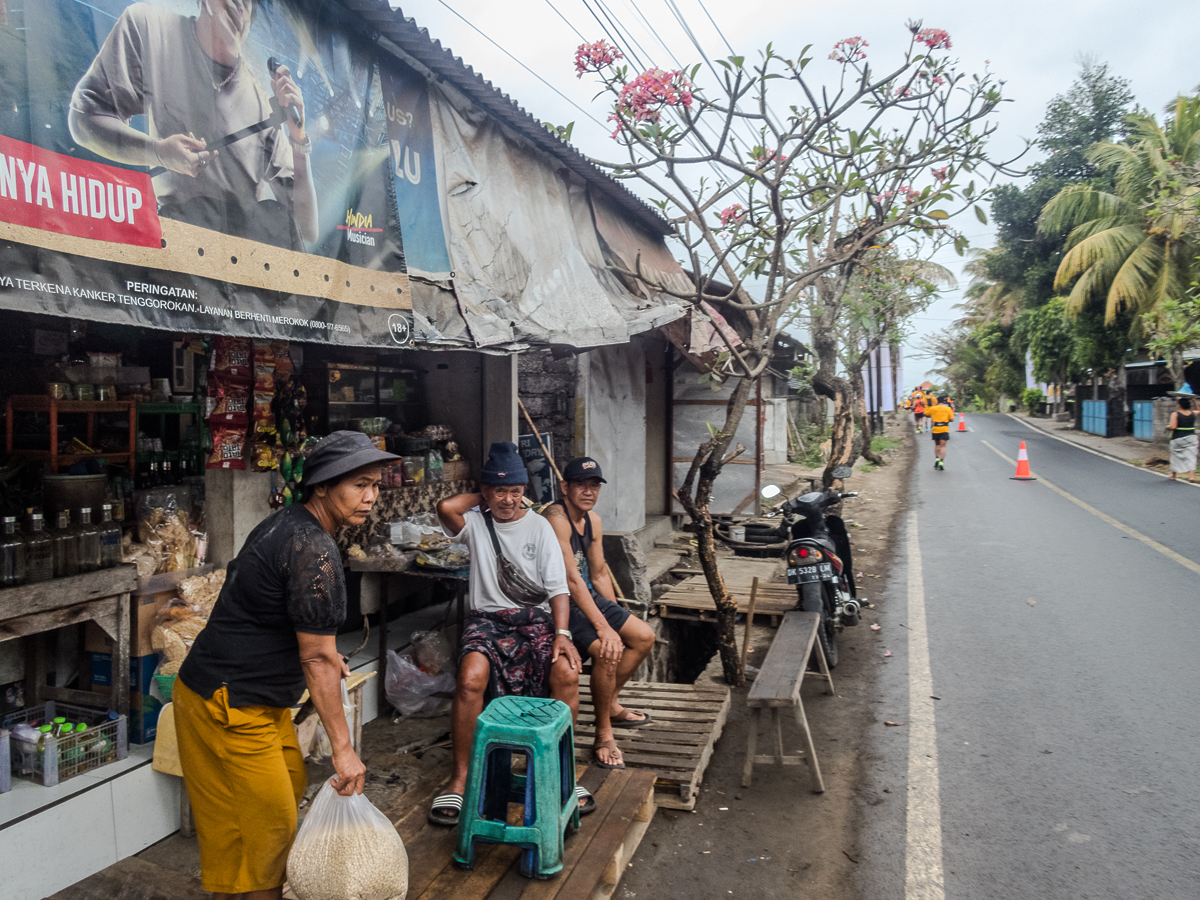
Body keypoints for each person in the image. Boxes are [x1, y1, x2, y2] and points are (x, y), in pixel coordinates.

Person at [173, 431, 397, 899]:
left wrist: (326, 652)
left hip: (250, 699)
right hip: (227, 703)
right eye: (359, 484)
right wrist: (343, 748)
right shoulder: (312, 548)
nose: (371, 497)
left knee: (268, 813)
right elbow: (314, 655)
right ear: (322, 484)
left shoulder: (290, 524)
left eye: (375, 484)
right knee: (268, 837)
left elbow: (300, 631)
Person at [429, 442, 593, 826]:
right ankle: (461, 777)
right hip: (486, 621)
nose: (508, 500)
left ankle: (564, 772)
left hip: (534, 621)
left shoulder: (539, 525)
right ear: (486, 492)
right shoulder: (475, 524)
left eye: (516, 491)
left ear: (525, 492)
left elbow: (557, 588)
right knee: (470, 678)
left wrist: (563, 633)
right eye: (500, 491)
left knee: (567, 673)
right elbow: (445, 508)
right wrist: (487, 492)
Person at [69, 0, 318, 250]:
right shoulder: (150, 27)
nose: (241, 4)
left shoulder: (262, 104)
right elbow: (83, 118)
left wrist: (298, 136)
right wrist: (158, 153)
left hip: (245, 267)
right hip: (177, 256)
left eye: (250, 2)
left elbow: (307, 229)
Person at [543, 458, 656, 769]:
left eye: (594, 485)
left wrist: (613, 616)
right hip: (560, 602)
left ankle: (608, 704)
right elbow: (570, 579)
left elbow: (599, 573)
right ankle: (604, 731)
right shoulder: (556, 518)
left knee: (643, 637)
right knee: (607, 651)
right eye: (581, 484)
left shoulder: (593, 520)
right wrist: (603, 627)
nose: (588, 491)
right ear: (565, 487)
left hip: (587, 597)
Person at [1167, 397, 1197, 483]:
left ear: (1179, 405)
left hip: (1178, 438)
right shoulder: (1193, 413)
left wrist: (1167, 427)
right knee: (1191, 456)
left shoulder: (1175, 414)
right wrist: (1194, 401)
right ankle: (1191, 476)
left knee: (1175, 456)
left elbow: (1173, 426)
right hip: (1191, 437)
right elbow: (1198, 410)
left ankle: (1173, 475)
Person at [927, 394, 955, 469]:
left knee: (937, 445)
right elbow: (952, 419)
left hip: (936, 429)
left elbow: (926, 414)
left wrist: (933, 416)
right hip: (944, 429)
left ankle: (936, 459)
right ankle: (941, 461)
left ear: (937, 401)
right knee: (943, 446)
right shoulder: (948, 409)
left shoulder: (933, 408)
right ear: (944, 401)